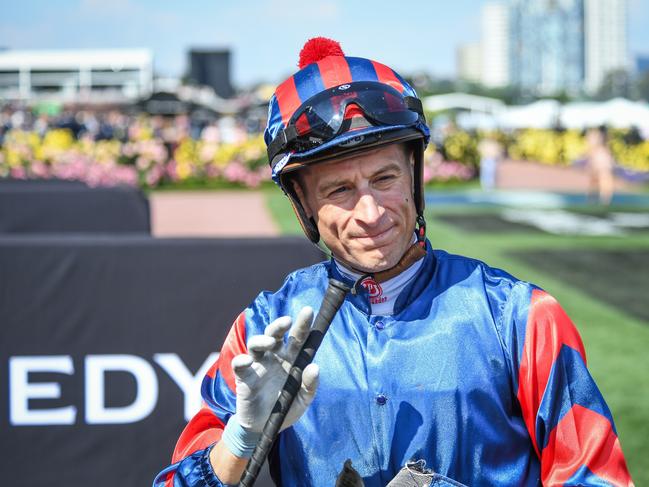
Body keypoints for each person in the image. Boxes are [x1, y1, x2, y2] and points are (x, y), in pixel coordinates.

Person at [154, 38, 633, 486]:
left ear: (413, 174)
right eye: (339, 190)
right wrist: (241, 438)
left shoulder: (525, 317)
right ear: (303, 203)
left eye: (384, 179)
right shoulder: (260, 328)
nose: (370, 213)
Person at [584, 126, 615, 205]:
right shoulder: (597, 150)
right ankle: (593, 202)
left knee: (604, 183)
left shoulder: (602, 150)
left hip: (602, 167)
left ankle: (604, 202)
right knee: (596, 184)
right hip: (598, 167)